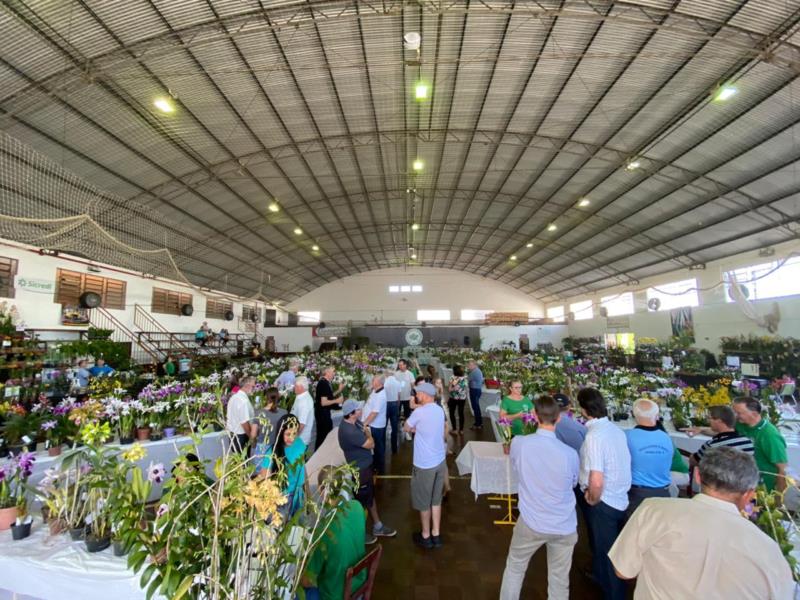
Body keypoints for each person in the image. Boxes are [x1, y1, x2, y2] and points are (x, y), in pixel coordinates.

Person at [609, 447, 795, 599]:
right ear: (749, 493)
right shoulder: (769, 550)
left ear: (697, 476)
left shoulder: (654, 510)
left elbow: (623, 571)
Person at [500, 395, 579, 600]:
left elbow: (515, 464)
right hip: (564, 523)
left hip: (532, 520)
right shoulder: (569, 454)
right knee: (559, 580)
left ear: (534, 416)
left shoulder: (520, 443)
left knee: (515, 568)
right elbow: (573, 483)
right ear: (559, 418)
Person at [577, 387, 631, 600]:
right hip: (619, 496)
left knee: (608, 553)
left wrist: (592, 496)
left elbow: (596, 476)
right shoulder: (615, 430)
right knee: (606, 548)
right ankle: (599, 577)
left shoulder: (594, 436)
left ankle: (614, 594)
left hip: (603, 500)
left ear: (583, 409)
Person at [302, 466, 367, 600]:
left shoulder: (323, 531)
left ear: (321, 491)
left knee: (297, 592)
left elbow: (307, 580)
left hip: (335, 594)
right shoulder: (357, 507)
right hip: (359, 580)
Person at [338, 399, 396, 544]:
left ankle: (377, 525)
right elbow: (371, 443)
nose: (361, 411)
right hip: (360, 470)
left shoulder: (354, 423)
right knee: (361, 503)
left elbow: (364, 429)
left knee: (369, 498)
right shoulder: (349, 430)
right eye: (358, 409)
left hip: (364, 468)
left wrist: (366, 431)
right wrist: (369, 434)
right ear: (351, 414)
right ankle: (360, 533)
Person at [404, 382, 447, 549]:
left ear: (425, 395)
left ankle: (426, 535)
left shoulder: (419, 412)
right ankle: (436, 534)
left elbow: (406, 427)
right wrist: (419, 430)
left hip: (424, 464)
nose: (416, 396)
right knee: (436, 500)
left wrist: (415, 429)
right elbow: (432, 429)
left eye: (418, 393)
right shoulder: (439, 410)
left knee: (423, 502)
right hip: (439, 461)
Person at [625, 399, 674, 516]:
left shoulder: (627, 436)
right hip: (664, 492)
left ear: (634, 415)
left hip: (637, 495)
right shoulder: (666, 437)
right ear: (656, 416)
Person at [732, 397, 787, 492]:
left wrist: (779, 498)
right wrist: (702, 429)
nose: (735, 416)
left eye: (739, 413)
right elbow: (725, 431)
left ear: (754, 414)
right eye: (734, 412)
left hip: (763, 488)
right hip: (743, 482)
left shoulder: (769, 435)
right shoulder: (740, 424)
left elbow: (782, 468)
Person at [261, 413, 306, 516]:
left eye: (294, 433)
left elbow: (303, 470)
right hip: (281, 499)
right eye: (288, 434)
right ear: (281, 432)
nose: (292, 438)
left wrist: (307, 492)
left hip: (298, 495)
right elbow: (265, 479)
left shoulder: (300, 444)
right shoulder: (272, 453)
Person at [689, 405, 754, 472]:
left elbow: (694, 461)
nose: (708, 421)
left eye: (709, 418)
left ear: (719, 421)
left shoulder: (711, 446)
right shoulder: (748, 442)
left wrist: (692, 456)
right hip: (743, 480)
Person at [251, 386, 287, 472]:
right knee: (277, 473)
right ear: (278, 397)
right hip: (278, 447)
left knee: (261, 476)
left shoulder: (259, 413)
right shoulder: (284, 412)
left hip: (262, 447)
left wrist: (253, 447)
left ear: (266, 398)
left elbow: (253, 434)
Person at [362, 375, 388, 475]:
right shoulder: (375, 390)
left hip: (376, 426)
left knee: (377, 447)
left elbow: (374, 413)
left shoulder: (381, 395)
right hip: (373, 424)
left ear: (380, 383)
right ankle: (376, 465)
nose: (372, 380)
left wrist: (365, 423)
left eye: (374, 380)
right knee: (376, 446)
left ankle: (379, 467)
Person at [314, 366, 345, 449]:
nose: (334, 374)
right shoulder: (323, 383)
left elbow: (328, 397)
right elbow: (323, 402)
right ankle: (320, 456)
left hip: (323, 414)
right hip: (323, 415)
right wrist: (337, 401)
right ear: (327, 373)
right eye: (333, 372)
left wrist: (339, 390)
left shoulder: (325, 382)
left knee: (323, 436)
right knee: (323, 437)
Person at [226, 375, 255, 454]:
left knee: (238, 461)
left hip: (232, 434)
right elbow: (244, 423)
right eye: (253, 386)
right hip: (241, 436)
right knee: (244, 463)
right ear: (247, 386)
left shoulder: (234, 397)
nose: (254, 389)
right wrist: (252, 438)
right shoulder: (243, 401)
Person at [291, 376, 315, 450]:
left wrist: (292, 438)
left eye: (295, 386)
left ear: (300, 387)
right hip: (299, 438)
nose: (293, 387)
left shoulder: (304, 402)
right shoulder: (301, 396)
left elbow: (301, 424)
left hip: (300, 440)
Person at [384, 367, 402, 454]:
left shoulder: (384, 383)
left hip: (386, 404)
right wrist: (397, 405)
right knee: (394, 427)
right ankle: (394, 448)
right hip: (394, 404)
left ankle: (383, 447)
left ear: (387, 374)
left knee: (384, 425)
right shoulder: (398, 383)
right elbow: (399, 396)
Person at [447, 365, 469, 435]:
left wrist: (454, 389)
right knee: (461, 413)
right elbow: (466, 389)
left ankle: (454, 429)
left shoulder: (452, 378)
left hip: (453, 398)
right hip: (462, 398)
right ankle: (461, 430)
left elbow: (450, 389)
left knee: (452, 413)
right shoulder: (465, 378)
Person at [395, 359, 416, 423]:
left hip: (407, 397)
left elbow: (413, 385)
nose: (400, 366)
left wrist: (413, 395)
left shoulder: (410, 374)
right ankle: (397, 425)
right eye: (399, 365)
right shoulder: (396, 374)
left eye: (401, 365)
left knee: (407, 413)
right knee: (397, 413)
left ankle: (407, 425)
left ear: (405, 365)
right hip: (398, 398)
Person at [467, 359, 484, 429]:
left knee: (475, 407)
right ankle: (479, 422)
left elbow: (467, 379)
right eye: (468, 365)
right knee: (476, 407)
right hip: (476, 390)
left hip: (475, 390)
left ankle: (478, 424)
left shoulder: (474, 372)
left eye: (470, 365)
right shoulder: (476, 370)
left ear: (475, 365)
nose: (468, 366)